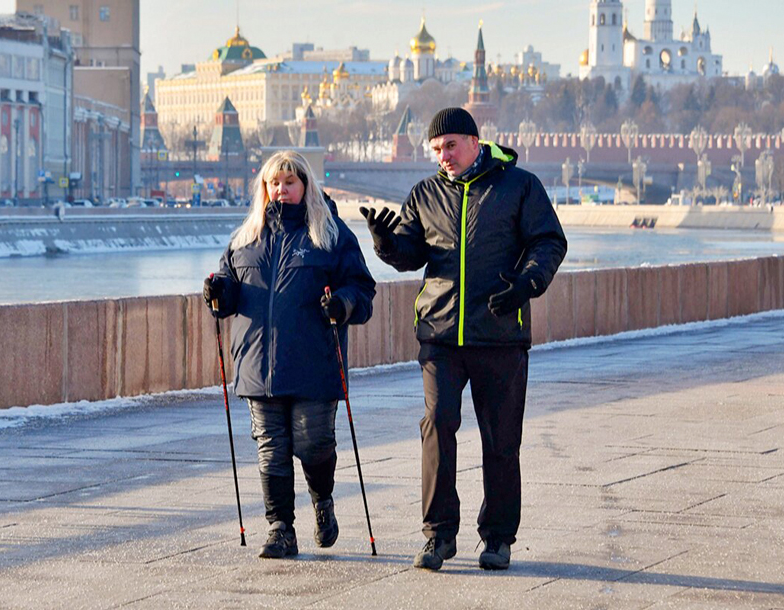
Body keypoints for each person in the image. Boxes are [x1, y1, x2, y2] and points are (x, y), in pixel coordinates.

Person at [362, 107, 567, 571]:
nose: (444, 156)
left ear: (476, 141)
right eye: (436, 149)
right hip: (439, 334)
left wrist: (527, 283)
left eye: (450, 145)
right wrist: (386, 243)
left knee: (500, 440)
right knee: (438, 424)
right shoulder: (426, 193)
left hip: (500, 334)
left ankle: (497, 538)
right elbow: (411, 255)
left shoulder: (519, 186)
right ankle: (438, 536)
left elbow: (549, 242)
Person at [204, 150, 376, 559]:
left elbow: (362, 291)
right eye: (274, 183)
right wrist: (217, 293)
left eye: (290, 182)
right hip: (256, 365)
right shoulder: (245, 238)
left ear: (306, 187)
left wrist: (342, 305)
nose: (281, 190)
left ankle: (322, 500)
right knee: (271, 450)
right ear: (264, 188)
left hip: (313, 363)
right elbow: (227, 293)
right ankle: (280, 527)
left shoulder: (330, 236)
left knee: (313, 444)